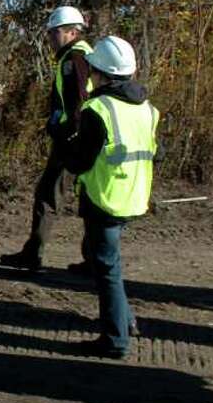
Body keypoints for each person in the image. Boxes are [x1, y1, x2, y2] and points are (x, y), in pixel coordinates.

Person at [58, 36, 157, 359]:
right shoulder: (146, 108)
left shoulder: (98, 109)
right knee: (105, 258)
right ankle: (126, 322)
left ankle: (115, 339)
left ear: (100, 73)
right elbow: (158, 153)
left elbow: (80, 162)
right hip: (134, 195)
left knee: (107, 270)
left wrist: (63, 144)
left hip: (104, 198)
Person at [0, 6, 93, 273]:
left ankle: (34, 255)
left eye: (56, 33)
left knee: (48, 196)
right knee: (88, 198)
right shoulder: (81, 56)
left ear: (72, 32)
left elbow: (80, 101)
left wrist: (69, 131)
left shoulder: (73, 60)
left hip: (72, 141)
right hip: (79, 138)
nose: (51, 39)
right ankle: (94, 260)